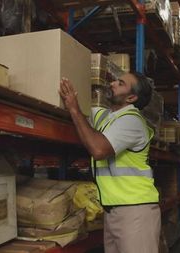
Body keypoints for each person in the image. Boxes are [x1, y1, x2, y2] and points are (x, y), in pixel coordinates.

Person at [59, 72, 160, 253]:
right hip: (113, 210)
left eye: (120, 83)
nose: (112, 83)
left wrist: (74, 109)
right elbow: (85, 120)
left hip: (135, 211)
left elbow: (98, 150)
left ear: (132, 97)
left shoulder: (132, 121)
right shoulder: (107, 117)